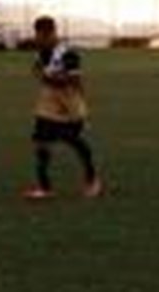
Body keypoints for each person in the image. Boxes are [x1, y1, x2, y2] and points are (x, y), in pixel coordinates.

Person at [24, 16, 103, 199]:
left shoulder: (68, 53)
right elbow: (37, 69)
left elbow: (73, 79)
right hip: (48, 102)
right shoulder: (41, 52)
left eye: (42, 36)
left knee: (74, 140)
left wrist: (49, 78)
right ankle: (44, 187)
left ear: (52, 33)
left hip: (69, 103)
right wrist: (40, 74)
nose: (38, 40)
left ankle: (93, 180)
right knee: (41, 142)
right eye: (37, 35)